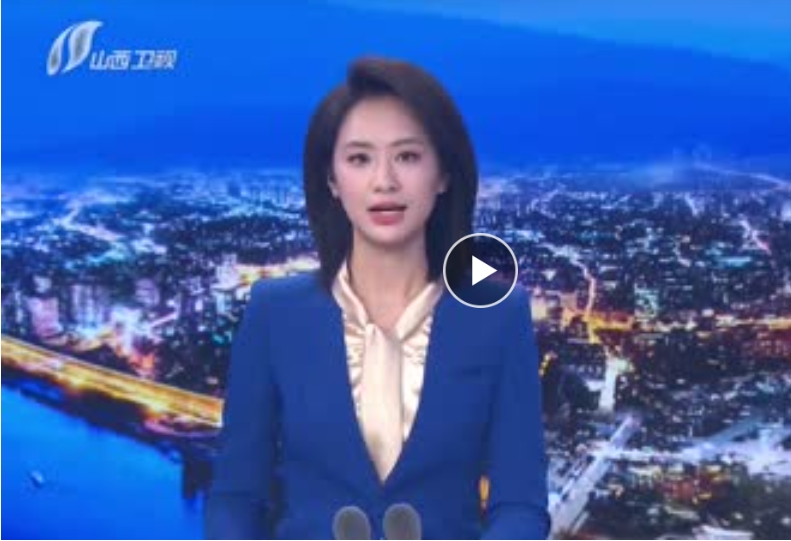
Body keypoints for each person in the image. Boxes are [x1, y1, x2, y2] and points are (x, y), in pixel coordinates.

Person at [204, 57, 550, 539]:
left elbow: (520, 503)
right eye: (359, 159)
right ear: (331, 180)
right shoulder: (274, 312)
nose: (384, 181)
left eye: (407, 157)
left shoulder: (499, 314)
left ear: (443, 174)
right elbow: (236, 496)